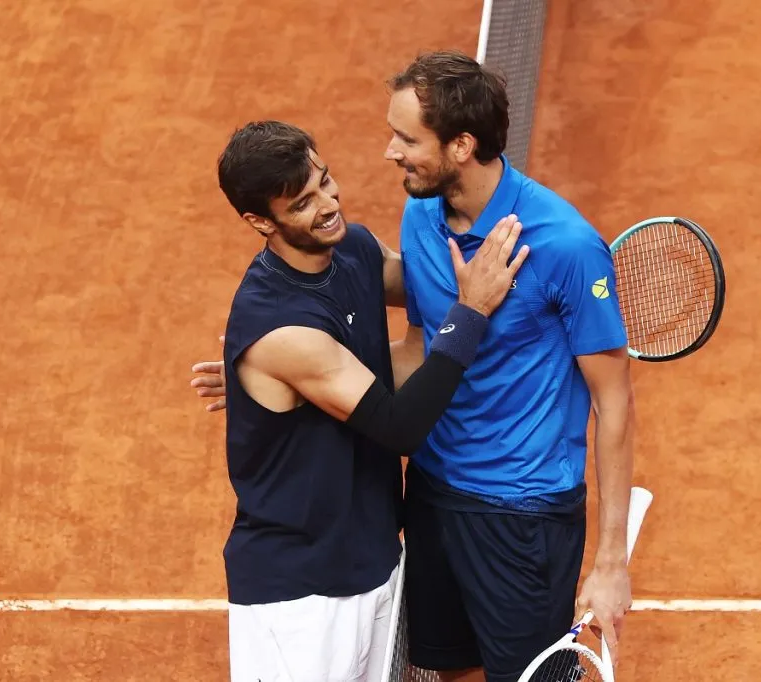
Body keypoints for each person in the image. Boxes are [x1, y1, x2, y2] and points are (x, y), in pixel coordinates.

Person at [194, 52, 636, 682]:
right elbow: (412, 336)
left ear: (460, 145)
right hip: (429, 497)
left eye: (406, 138)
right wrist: (266, 367)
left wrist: (612, 558)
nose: (388, 152)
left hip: (522, 510)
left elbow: (614, 401)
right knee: (440, 670)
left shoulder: (563, 245)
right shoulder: (421, 215)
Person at [207, 119, 529, 682]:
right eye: (303, 203)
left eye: (325, 182)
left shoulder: (353, 250)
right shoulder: (281, 329)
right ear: (261, 221)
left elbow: (427, 292)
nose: (329, 204)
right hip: (301, 596)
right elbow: (399, 426)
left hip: (374, 561)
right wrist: (471, 312)